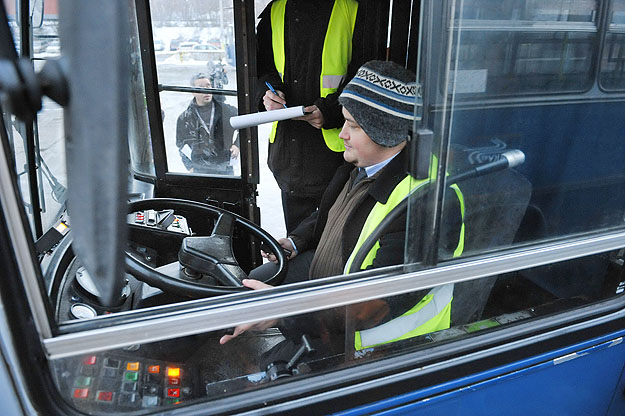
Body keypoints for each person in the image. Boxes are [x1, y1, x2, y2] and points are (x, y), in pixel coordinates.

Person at [221, 61, 465, 365]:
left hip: (376, 345)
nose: (343, 135)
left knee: (263, 376)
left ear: (384, 133)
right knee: (256, 281)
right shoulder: (361, 166)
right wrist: (296, 242)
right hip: (334, 300)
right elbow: (329, 215)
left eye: (354, 125)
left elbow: (372, 306)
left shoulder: (428, 205)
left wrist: (283, 312)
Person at [256, 0, 372, 233]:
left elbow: (368, 73)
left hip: (338, 157)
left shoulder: (355, 7)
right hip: (289, 159)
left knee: (334, 247)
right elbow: (258, 68)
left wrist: (330, 111)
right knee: (297, 242)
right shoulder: (276, 9)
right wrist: (266, 95)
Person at [176, 73, 239, 174]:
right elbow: (181, 145)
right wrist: (190, 167)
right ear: (193, 92)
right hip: (199, 170)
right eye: (201, 87)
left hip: (225, 169)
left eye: (208, 86)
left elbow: (247, 126)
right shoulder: (185, 118)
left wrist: (237, 145)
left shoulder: (227, 111)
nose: (206, 90)